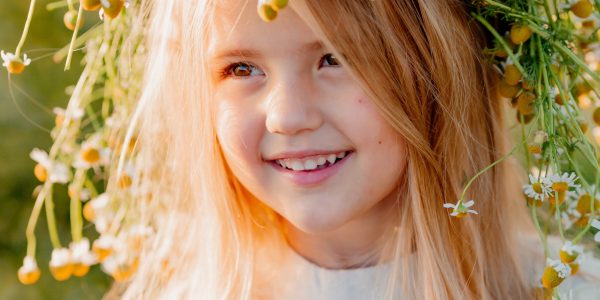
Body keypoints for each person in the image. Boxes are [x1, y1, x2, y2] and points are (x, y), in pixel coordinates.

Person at [105, 0, 600, 299]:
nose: (288, 116)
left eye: (334, 58)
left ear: (439, 73)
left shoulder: (566, 289)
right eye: (241, 69)